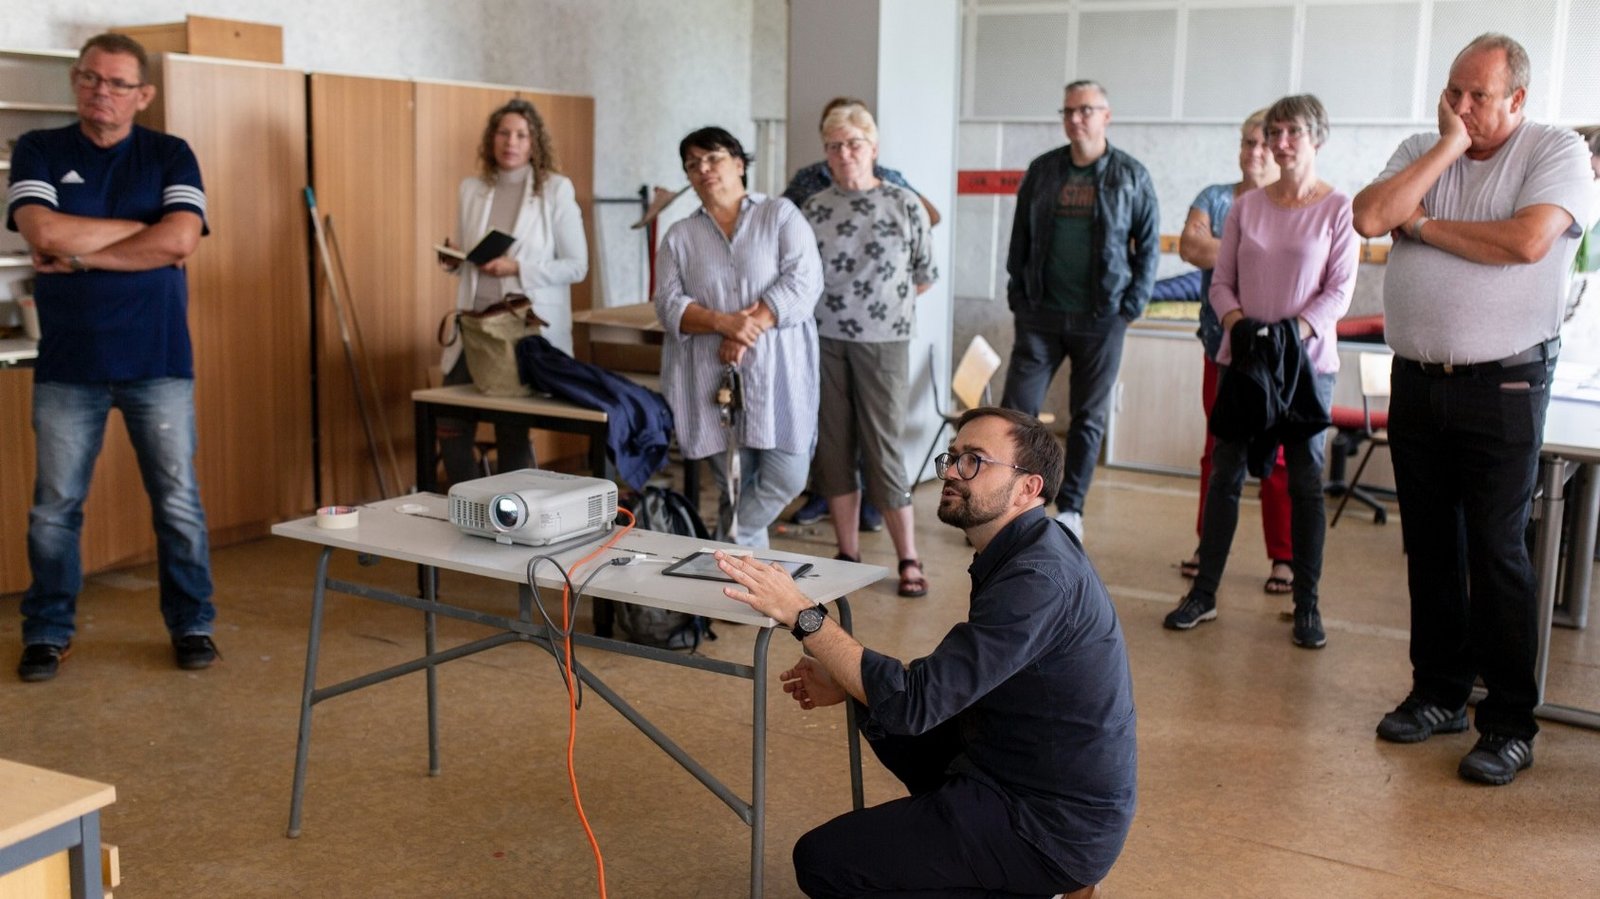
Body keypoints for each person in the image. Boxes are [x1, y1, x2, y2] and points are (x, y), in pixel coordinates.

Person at [714, 406, 1135, 897]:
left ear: (1028, 488)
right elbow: (937, 689)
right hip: (1015, 768)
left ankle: (1047, 882)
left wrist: (804, 616)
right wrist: (848, 678)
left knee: (822, 861)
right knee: (879, 705)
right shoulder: (1030, 546)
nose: (952, 472)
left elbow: (917, 702)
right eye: (952, 457)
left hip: (1048, 825)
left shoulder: (1037, 579)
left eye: (975, 460)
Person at [1353, 33, 1596, 785]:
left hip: (1507, 384)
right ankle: (1439, 693)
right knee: (1429, 542)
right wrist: (1448, 145)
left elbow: (1525, 242)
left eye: (1478, 97)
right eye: (1452, 91)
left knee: (1497, 552)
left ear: (1517, 100)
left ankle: (1510, 721)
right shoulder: (1421, 146)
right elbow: (1368, 217)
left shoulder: (1554, 152)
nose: (1459, 106)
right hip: (1419, 378)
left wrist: (1422, 227)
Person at [7, 33, 218, 681]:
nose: (103, 91)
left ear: (143, 95)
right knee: (55, 508)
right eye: (92, 78)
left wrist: (81, 253)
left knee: (177, 501)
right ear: (76, 81)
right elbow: (42, 230)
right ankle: (46, 630)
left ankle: (192, 622)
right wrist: (144, 232)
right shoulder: (39, 148)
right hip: (69, 363)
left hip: (158, 360)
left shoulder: (170, 154)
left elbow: (181, 239)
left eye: (119, 83)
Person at [1163, 94, 1356, 650]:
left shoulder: (1337, 208)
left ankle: (1307, 605)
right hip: (1242, 363)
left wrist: (1293, 333)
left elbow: (1339, 291)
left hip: (1305, 367)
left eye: (1292, 131)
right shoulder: (1246, 207)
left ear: (1316, 138)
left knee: (1303, 482)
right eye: (1274, 132)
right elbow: (1221, 282)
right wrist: (1240, 324)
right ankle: (1203, 594)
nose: (1280, 141)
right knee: (1225, 475)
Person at [1001, 79, 1159, 542]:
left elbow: (1148, 248)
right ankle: (1013, 505)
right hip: (1040, 316)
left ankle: (1070, 509)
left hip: (1101, 316)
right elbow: (1020, 241)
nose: (1076, 118)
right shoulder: (1043, 170)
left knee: (1088, 417)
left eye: (1086, 110)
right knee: (1016, 414)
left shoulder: (1131, 175)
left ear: (1105, 116)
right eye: (1069, 110)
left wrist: (1129, 308)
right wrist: (1018, 295)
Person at [654, 127, 822, 547]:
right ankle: (742, 588)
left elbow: (804, 281)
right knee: (733, 483)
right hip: (712, 380)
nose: (703, 169)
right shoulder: (680, 235)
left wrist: (745, 331)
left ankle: (727, 544)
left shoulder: (779, 215)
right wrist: (722, 324)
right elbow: (669, 304)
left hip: (778, 371)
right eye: (693, 165)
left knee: (788, 474)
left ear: (739, 163)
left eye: (712, 158)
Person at [783, 96, 941, 535]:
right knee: (832, 441)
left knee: (882, 444)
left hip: (883, 337)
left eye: (853, 143)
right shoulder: (813, 203)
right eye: (833, 146)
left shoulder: (903, 199)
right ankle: (845, 544)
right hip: (823, 336)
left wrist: (883, 298)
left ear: (872, 146)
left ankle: (906, 553)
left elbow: (925, 275)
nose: (844, 154)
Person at [435, 98, 588, 484]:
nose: (511, 141)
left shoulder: (555, 189)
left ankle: (514, 520)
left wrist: (517, 267)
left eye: (521, 134)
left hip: (522, 331)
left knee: (512, 429)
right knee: (449, 425)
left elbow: (577, 266)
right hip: (474, 326)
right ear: (492, 139)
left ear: (535, 142)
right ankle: (469, 506)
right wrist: (457, 261)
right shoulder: (472, 189)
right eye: (503, 132)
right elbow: (475, 261)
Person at [1178, 108, 1295, 596]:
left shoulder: (1292, 202)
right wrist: (1251, 251)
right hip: (1221, 348)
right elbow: (1190, 246)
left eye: (1264, 143)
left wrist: (1223, 248)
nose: (1254, 152)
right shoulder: (1215, 197)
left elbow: (1287, 260)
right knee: (1216, 453)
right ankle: (1209, 547)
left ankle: (1284, 558)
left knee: (1279, 459)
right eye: (1247, 142)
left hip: (1278, 355)